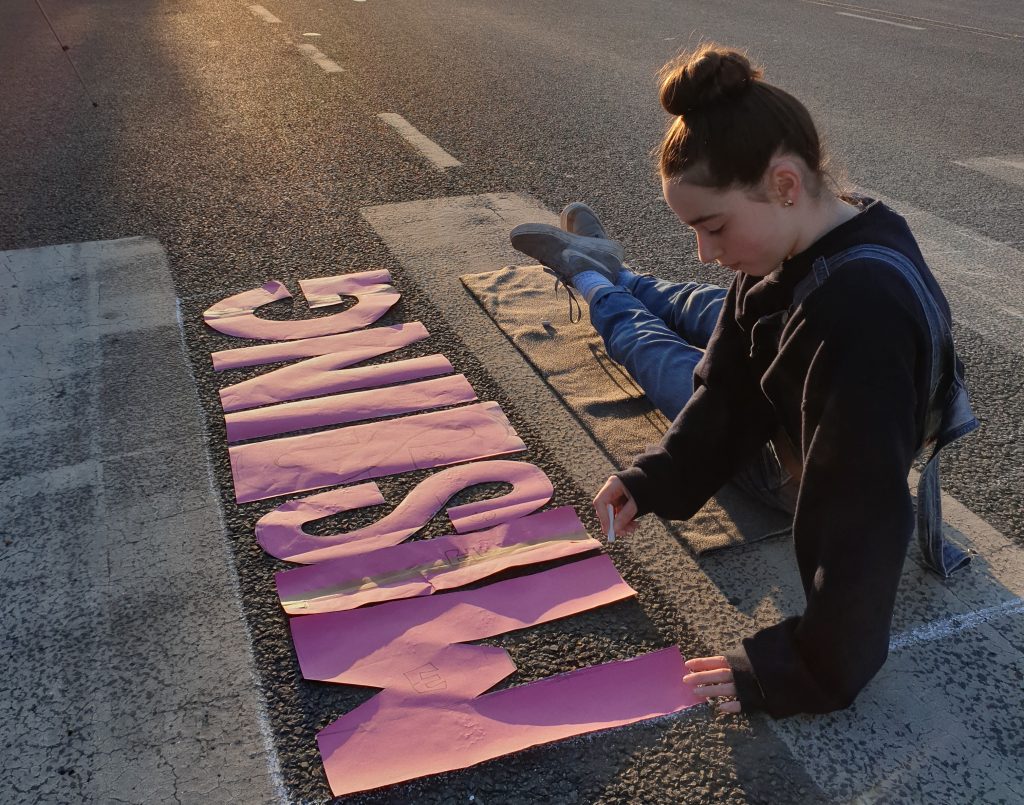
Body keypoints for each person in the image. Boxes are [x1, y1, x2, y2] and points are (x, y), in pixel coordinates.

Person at [508, 43, 977, 718]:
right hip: (784, 382)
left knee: (653, 351)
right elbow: (727, 384)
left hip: (798, 447)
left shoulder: (858, 315)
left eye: (713, 226)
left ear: (785, 184)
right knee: (707, 310)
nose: (705, 250)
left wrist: (804, 668)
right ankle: (613, 270)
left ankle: (593, 276)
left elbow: (860, 513)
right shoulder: (822, 232)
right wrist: (657, 478)